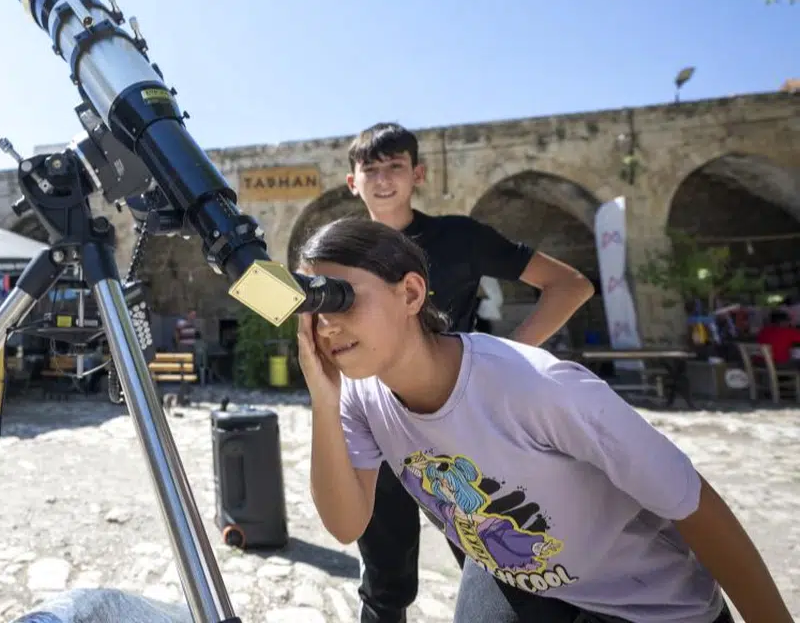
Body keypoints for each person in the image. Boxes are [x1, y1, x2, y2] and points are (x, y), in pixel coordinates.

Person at [297, 217, 787, 623]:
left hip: (644, 600)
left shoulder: (537, 386)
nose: (328, 324)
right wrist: (323, 399)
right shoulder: (360, 397)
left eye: (339, 298)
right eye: (313, 308)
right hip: (519, 574)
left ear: (410, 293)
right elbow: (345, 524)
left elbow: (694, 502)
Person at [343, 122, 596, 621]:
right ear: (353, 182)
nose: (383, 178)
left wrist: (501, 356)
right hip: (375, 421)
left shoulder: (459, 237)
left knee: (497, 562)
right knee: (384, 583)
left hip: (454, 426)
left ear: (418, 174)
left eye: (394, 166)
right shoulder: (344, 254)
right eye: (370, 169)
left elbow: (571, 285)